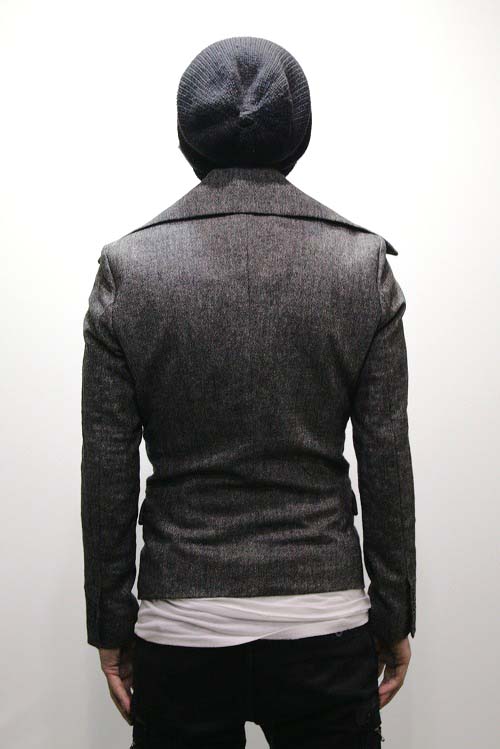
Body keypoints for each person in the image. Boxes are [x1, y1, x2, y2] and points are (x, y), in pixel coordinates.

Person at [81, 35, 416, 748]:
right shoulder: (360, 265)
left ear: (186, 137)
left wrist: (110, 624)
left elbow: (106, 469)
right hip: (324, 620)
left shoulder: (128, 270)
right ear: (300, 134)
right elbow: (387, 458)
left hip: (182, 625)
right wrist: (394, 613)